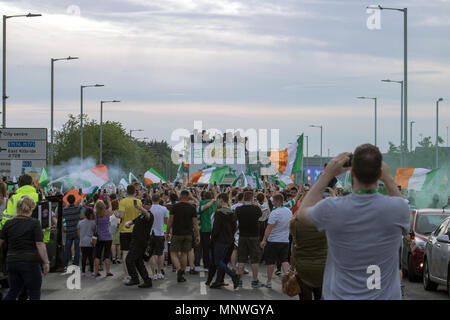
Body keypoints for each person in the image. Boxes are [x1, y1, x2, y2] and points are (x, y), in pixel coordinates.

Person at [296, 144, 410, 299]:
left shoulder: (332, 208)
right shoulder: (398, 209)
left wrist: (327, 174)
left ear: (352, 173)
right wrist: (388, 178)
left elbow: (302, 213)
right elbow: (402, 203)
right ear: (380, 173)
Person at [0, 196, 50, 300]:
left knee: (13, 291)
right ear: (31, 209)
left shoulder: (8, 223)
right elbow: (40, 245)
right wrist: (46, 262)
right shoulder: (34, 223)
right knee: (34, 292)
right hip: (30, 262)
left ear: (17, 208)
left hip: (12, 262)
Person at [289, 191, 327, 300]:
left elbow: (294, 243)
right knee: (321, 296)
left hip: (302, 267)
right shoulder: (325, 222)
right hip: (322, 266)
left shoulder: (295, 223)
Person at [166, 190, 200, 283]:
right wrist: (198, 235)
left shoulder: (175, 207)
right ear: (188, 196)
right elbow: (195, 224)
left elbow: (170, 221)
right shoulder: (192, 207)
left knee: (173, 253)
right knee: (184, 253)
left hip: (177, 233)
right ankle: (182, 275)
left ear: (180, 196)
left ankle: (179, 269)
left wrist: (167, 232)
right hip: (188, 234)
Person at [260, 193, 291, 289]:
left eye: (273, 201)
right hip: (285, 240)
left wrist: (264, 240)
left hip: (273, 240)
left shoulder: (275, 212)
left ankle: (269, 282)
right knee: (285, 261)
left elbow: (269, 227)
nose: (272, 202)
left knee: (270, 262)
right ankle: (289, 281)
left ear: (277, 201)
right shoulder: (289, 211)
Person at [209, 193, 239, 289]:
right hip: (229, 240)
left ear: (221, 200)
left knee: (218, 261)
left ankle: (233, 275)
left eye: (218, 200)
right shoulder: (232, 213)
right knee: (222, 261)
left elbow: (216, 229)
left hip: (219, 240)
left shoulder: (219, 213)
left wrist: (212, 240)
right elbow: (235, 227)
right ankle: (218, 281)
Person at [236, 191, 263, 288]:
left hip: (242, 236)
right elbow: (260, 215)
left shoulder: (238, 209)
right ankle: (255, 281)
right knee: (254, 259)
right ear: (252, 199)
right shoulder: (256, 209)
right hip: (254, 236)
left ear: (244, 198)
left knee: (241, 259)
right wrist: (255, 204)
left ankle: (239, 280)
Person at [124, 198, 154, 288]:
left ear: (150, 206)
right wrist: (128, 223)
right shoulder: (141, 215)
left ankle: (135, 278)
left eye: (147, 204)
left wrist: (139, 207)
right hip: (136, 241)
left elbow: (147, 214)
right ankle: (147, 280)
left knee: (129, 260)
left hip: (140, 242)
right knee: (138, 262)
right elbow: (133, 221)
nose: (145, 205)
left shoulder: (149, 215)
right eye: (144, 204)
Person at [118, 184, 142, 282]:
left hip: (125, 230)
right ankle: (136, 274)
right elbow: (140, 216)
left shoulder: (123, 201)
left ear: (126, 192)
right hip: (136, 230)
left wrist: (118, 214)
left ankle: (127, 275)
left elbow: (122, 216)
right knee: (136, 253)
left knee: (125, 253)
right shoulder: (139, 201)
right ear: (135, 192)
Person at [149, 193, 168, 280]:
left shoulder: (149, 208)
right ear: (159, 200)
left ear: (151, 200)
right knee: (160, 253)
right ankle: (160, 272)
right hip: (160, 233)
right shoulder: (164, 208)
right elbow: (166, 222)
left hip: (150, 233)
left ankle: (154, 273)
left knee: (152, 254)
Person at [94, 199, 113, 277]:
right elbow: (111, 206)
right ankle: (108, 271)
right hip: (108, 236)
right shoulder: (108, 213)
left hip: (99, 236)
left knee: (97, 254)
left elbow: (94, 208)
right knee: (107, 254)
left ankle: (96, 271)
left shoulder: (96, 214)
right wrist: (108, 201)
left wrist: (96, 203)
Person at [197, 191, 216, 271]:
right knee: (213, 247)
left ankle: (206, 264)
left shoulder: (201, 202)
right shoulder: (215, 203)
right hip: (213, 228)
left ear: (204, 196)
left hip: (203, 228)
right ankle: (213, 263)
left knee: (205, 248)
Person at [63, 194, 81, 271]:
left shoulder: (65, 210)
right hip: (76, 231)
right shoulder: (78, 208)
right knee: (77, 248)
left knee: (67, 248)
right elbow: (83, 207)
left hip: (68, 231)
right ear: (74, 200)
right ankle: (75, 264)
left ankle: (65, 265)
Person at [77, 207, 96, 276]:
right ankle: (92, 271)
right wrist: (94, 242)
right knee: (91, 256)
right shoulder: (93, 223)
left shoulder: (80, 222)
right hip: (90, 241)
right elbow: (95, 232)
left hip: (82, 242)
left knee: (84, 257)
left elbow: (78, 232)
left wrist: (81, 238)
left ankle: (83, 272)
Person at [110, 198, 121, 264]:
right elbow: (119, 220)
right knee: (118, 244)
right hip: (118, 227)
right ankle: (118, 257)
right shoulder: (118, 211)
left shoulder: (110, 211)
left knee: (113, 243)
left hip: (111, 227)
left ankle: (113, 257)